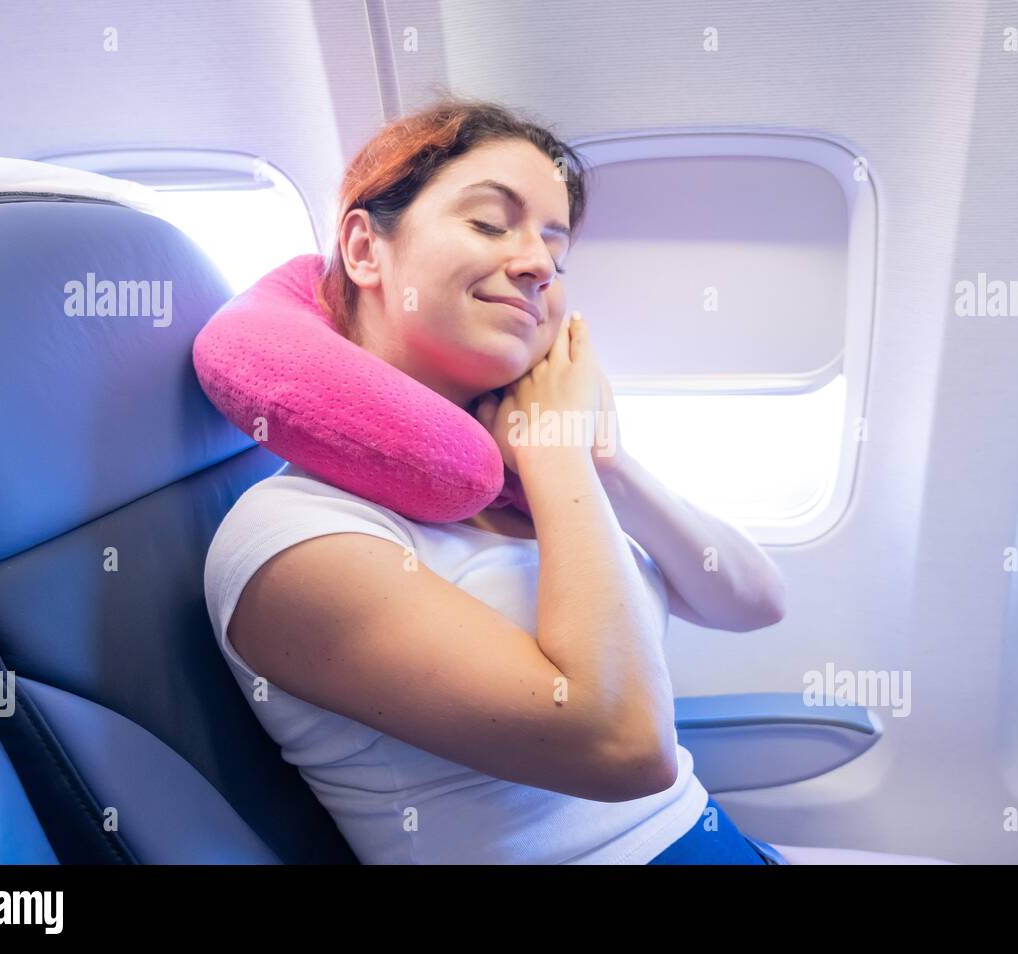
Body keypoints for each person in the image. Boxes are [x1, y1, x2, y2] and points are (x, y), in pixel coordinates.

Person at [203, 96, 949, 865]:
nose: (535, 265)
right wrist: (557, 459)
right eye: (490, 224)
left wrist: (603, 461)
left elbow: (754, 599)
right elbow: (626, 747)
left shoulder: (520, 483)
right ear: (364, 249)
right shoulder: (291, 537)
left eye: (557, 253)